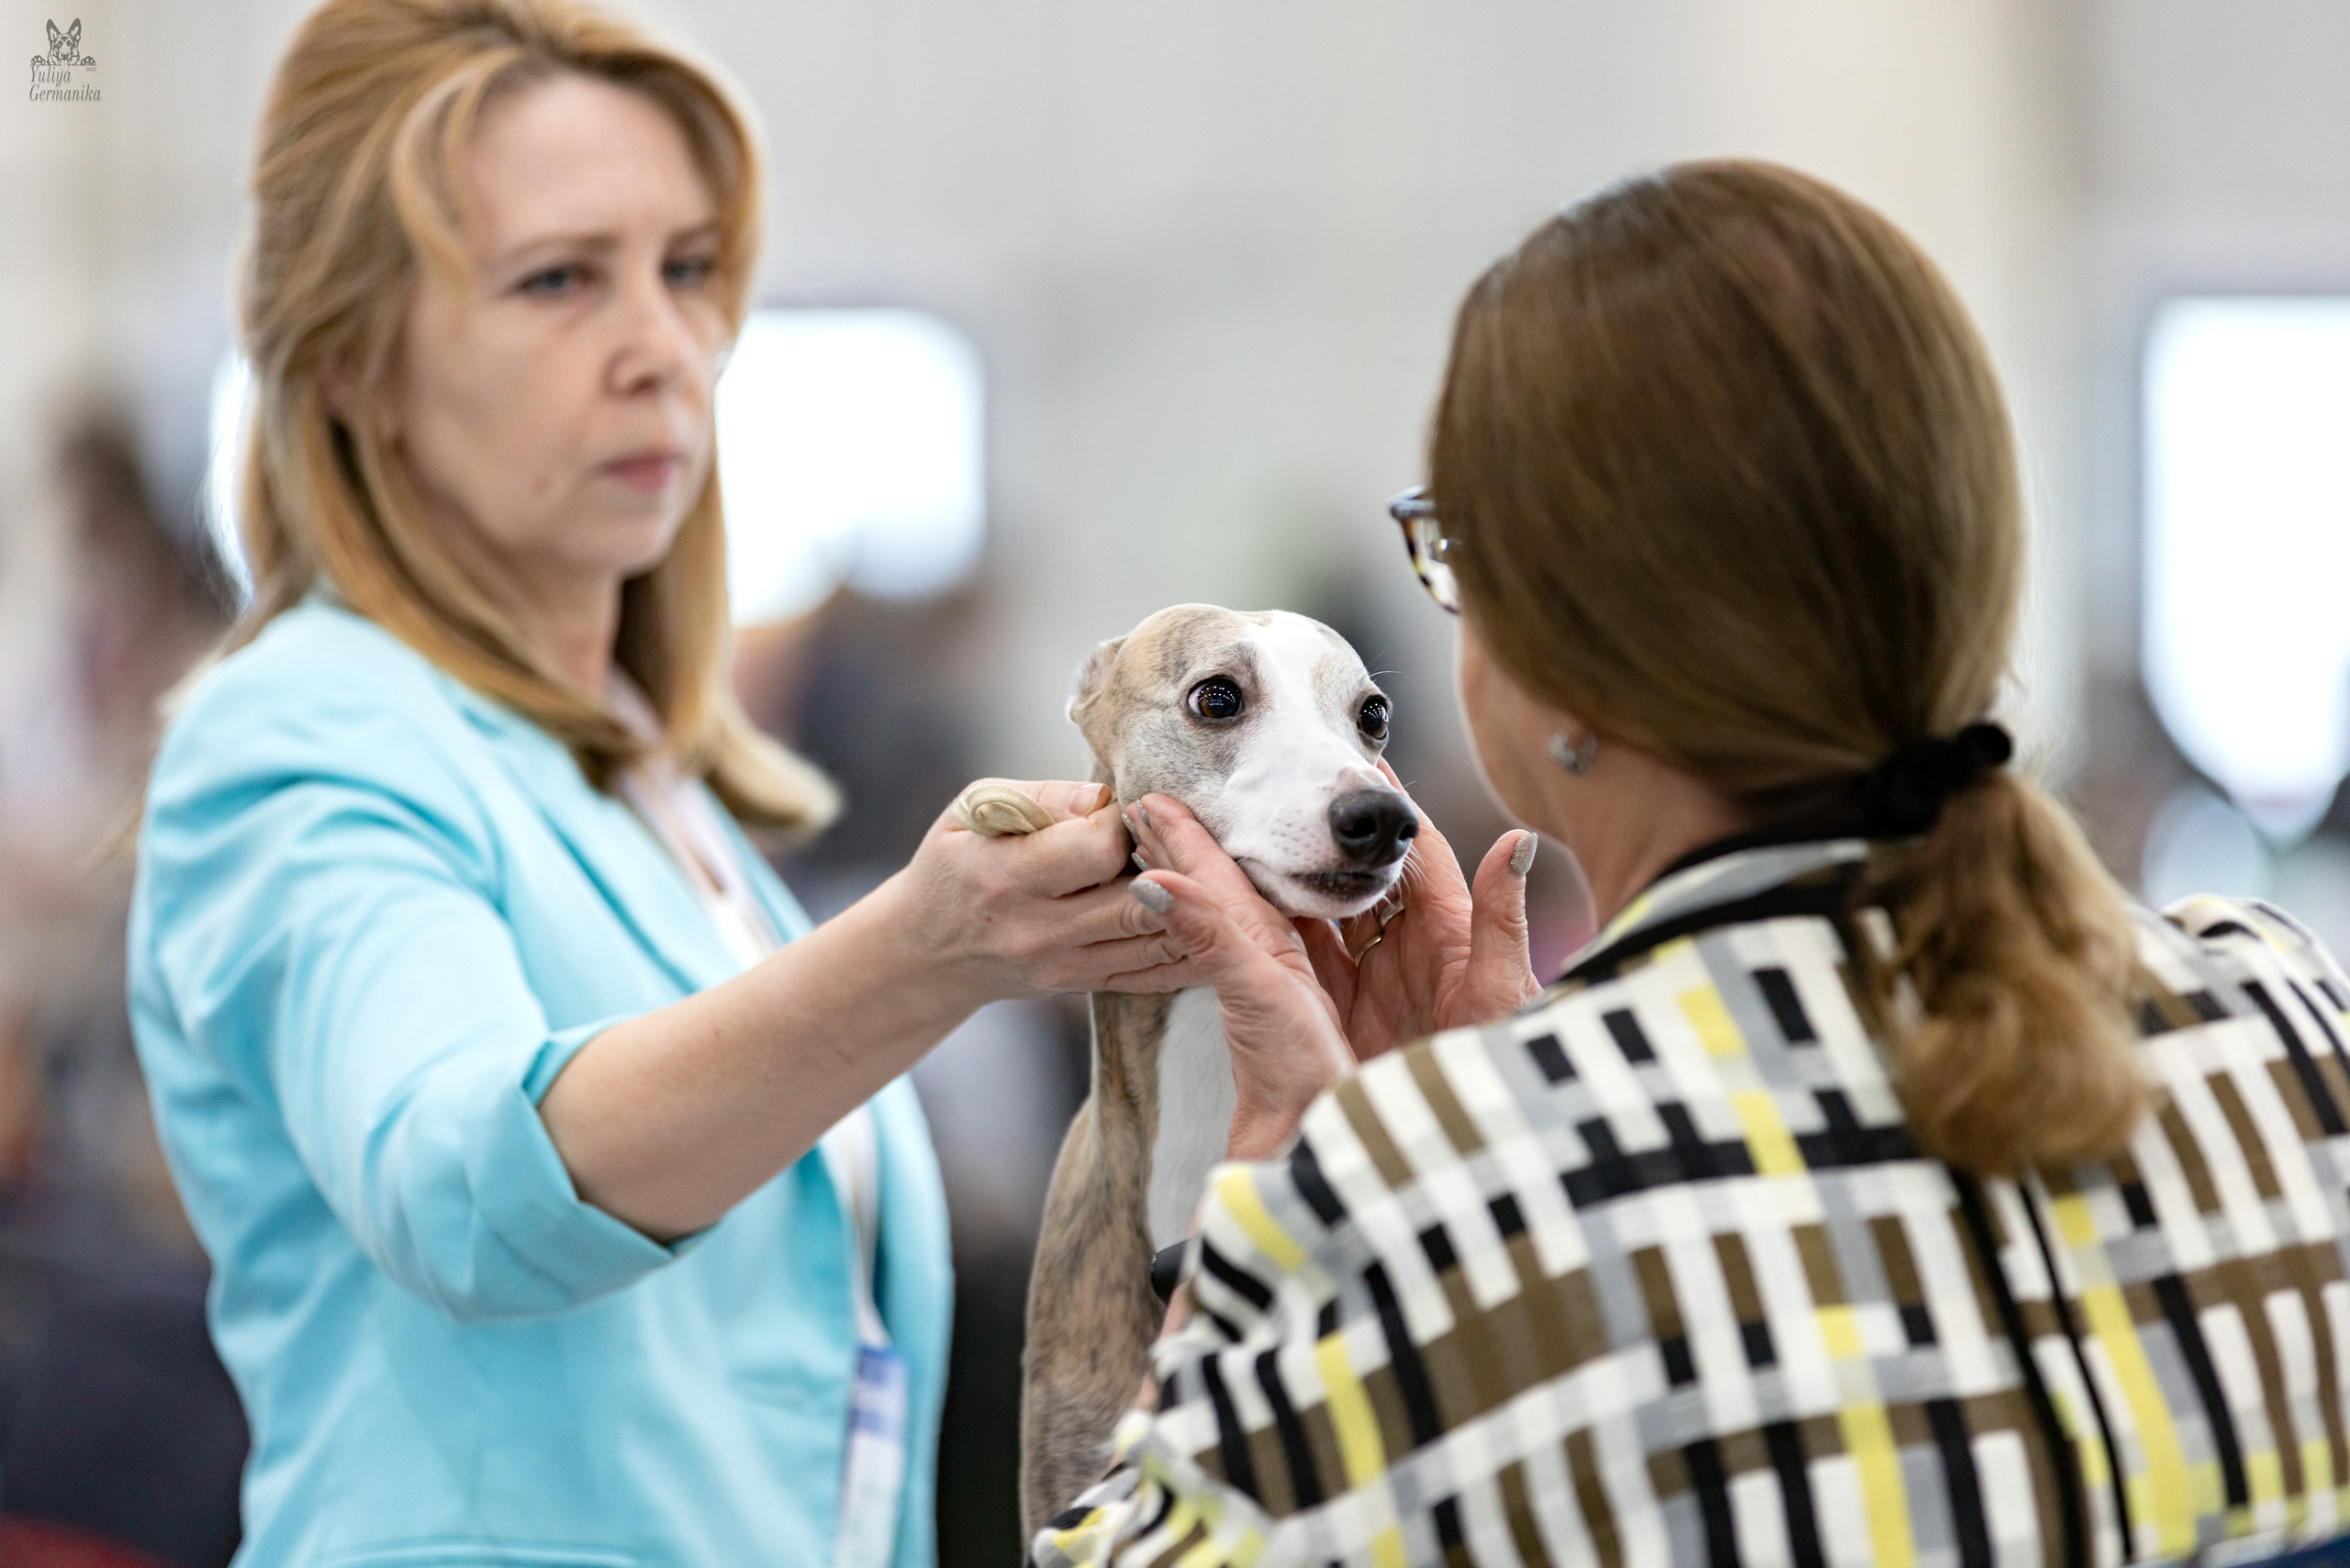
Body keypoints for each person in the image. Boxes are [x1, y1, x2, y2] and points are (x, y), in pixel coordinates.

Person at [1030, 161, 2350, 1568]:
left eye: (1457, 555)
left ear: (1554, 663)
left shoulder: (1422, 1198)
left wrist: (1294, 1191)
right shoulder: (2289, 1020)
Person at [126, 1, 1191, 1562]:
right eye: (561, 280)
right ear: (355, 362)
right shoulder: (302, 734)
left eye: (689, 271)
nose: (664, 349)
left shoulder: (633, 778)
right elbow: (467, 1182)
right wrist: (921, 957)